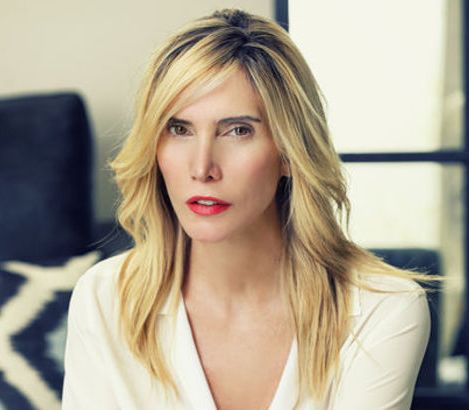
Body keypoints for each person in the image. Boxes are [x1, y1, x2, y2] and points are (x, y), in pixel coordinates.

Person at [62, 8, 438, 410]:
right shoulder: (105, 299)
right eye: (179, 129)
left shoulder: (381, 310)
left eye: (238, 131)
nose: (202, 167)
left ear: (289, 151)